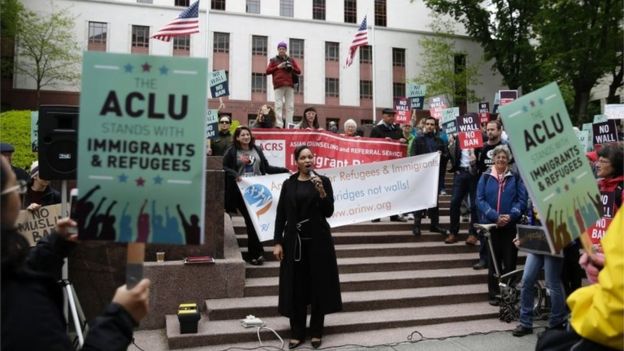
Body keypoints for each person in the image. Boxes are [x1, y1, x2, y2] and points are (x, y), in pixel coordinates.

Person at [0, 157, 151, 350]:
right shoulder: (23, 308)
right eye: (16, 186)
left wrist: (56, 244)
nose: (21, 193)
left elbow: (16, 272)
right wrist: (120, 317)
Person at [273, 145, 342, 349]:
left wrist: (321, 191)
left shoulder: (324, 181)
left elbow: (329, 211)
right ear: (296, 161)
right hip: (294, 243)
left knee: (318, 286)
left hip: (319, 242)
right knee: (296, 288)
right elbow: (280, 215)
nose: (307, 160)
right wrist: (277, 242)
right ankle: (297, 332)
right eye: (303, 157)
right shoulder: (289, 184)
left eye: (310, 157)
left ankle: (316, 332)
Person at [536, 210, 623, 351]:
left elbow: (616, 304)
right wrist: (606, 267)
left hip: (605, 328)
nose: (599, 186)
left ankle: (556, 319)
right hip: (603, 318)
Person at [223, 126, 289, 265]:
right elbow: (224, 167)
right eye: (242, 135)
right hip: (241, 192)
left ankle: (256, 253)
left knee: (255, 222)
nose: (246, 137)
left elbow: (267, 167)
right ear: (237, 138)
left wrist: (284, 170)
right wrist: (235, 174)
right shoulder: (232, 151)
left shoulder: (257, 150)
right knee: (251, 221)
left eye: (247, 134)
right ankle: (255, 254)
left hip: (257, 191)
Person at [476, 145, 527, 306]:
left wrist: (511, 215)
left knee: (510, 261)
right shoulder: (485, 176)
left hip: (510, 226)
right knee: (494, 262)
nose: (501, 159)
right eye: (498, 157)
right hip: (492, 227)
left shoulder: (515, 177)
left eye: (504, 157)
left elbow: (522, 200)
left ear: (508, 159)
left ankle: (509, 294)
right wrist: (494, 216)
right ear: (494, 159)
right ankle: (493, 294)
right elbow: (480, 199)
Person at [471, 120, 511, 269]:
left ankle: (500, 260)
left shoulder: (506, 148)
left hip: (503, 191)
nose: (490, 132)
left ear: (500, 131)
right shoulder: (481, 148)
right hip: (486, 191)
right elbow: (475, 171)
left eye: (493, 129)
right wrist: (473, 162)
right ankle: (484, 258)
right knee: (484, 230)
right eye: (488, 129)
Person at [409, 116, 449, 236]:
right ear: (424, 125)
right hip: (421, 175)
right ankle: (416, 225)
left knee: (434, 200)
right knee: (420, 200)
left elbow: (447, 156)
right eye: (428, 124)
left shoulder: (440, 141)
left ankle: (435, 225)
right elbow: (413, 157)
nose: (430, 126)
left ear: (435, 126)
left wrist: (442, 155)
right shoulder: (418, 140)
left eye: (432, 124)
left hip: (435, 176)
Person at [512, 250, 567, 337]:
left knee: (552, 283)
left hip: (552, 246)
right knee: (527, 280)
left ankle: (557, 324)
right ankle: (525, 323)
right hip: (536, 245)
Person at [447, 115, 482, 244]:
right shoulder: (457, 140)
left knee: (474, 205)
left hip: (475, 174)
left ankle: (473, 234)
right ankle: (453, 232)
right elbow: (451, 155)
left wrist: (475, 156)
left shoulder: (480, 139)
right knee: (454, 202)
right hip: (460, 173)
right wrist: (450, 145)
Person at [370, 108, 407, 222]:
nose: (392, 118)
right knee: (378, 190)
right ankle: (376, 215)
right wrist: (383, 141)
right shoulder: (377, 130)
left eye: (393, 116)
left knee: (394, 190)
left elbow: (404, 144)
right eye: (389, 116)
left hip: (394, 166)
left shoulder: (398, 129)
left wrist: (403, 140)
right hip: (381, 166)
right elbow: (370, 146)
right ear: (383, 117)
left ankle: (394, 214)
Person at [266, 41, 301, 128]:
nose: (282, 50)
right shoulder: (273, 60)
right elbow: (267, 71)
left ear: (286, 50)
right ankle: (279, 125)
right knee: (278, 105)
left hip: (289, 85)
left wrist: (291, 67)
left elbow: (299, 71)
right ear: (278, 49)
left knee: (290, 106)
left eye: (283, 49)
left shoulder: (291, 60)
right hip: (278, 85)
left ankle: (289, 125)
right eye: (280, 49)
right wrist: (278, 67)